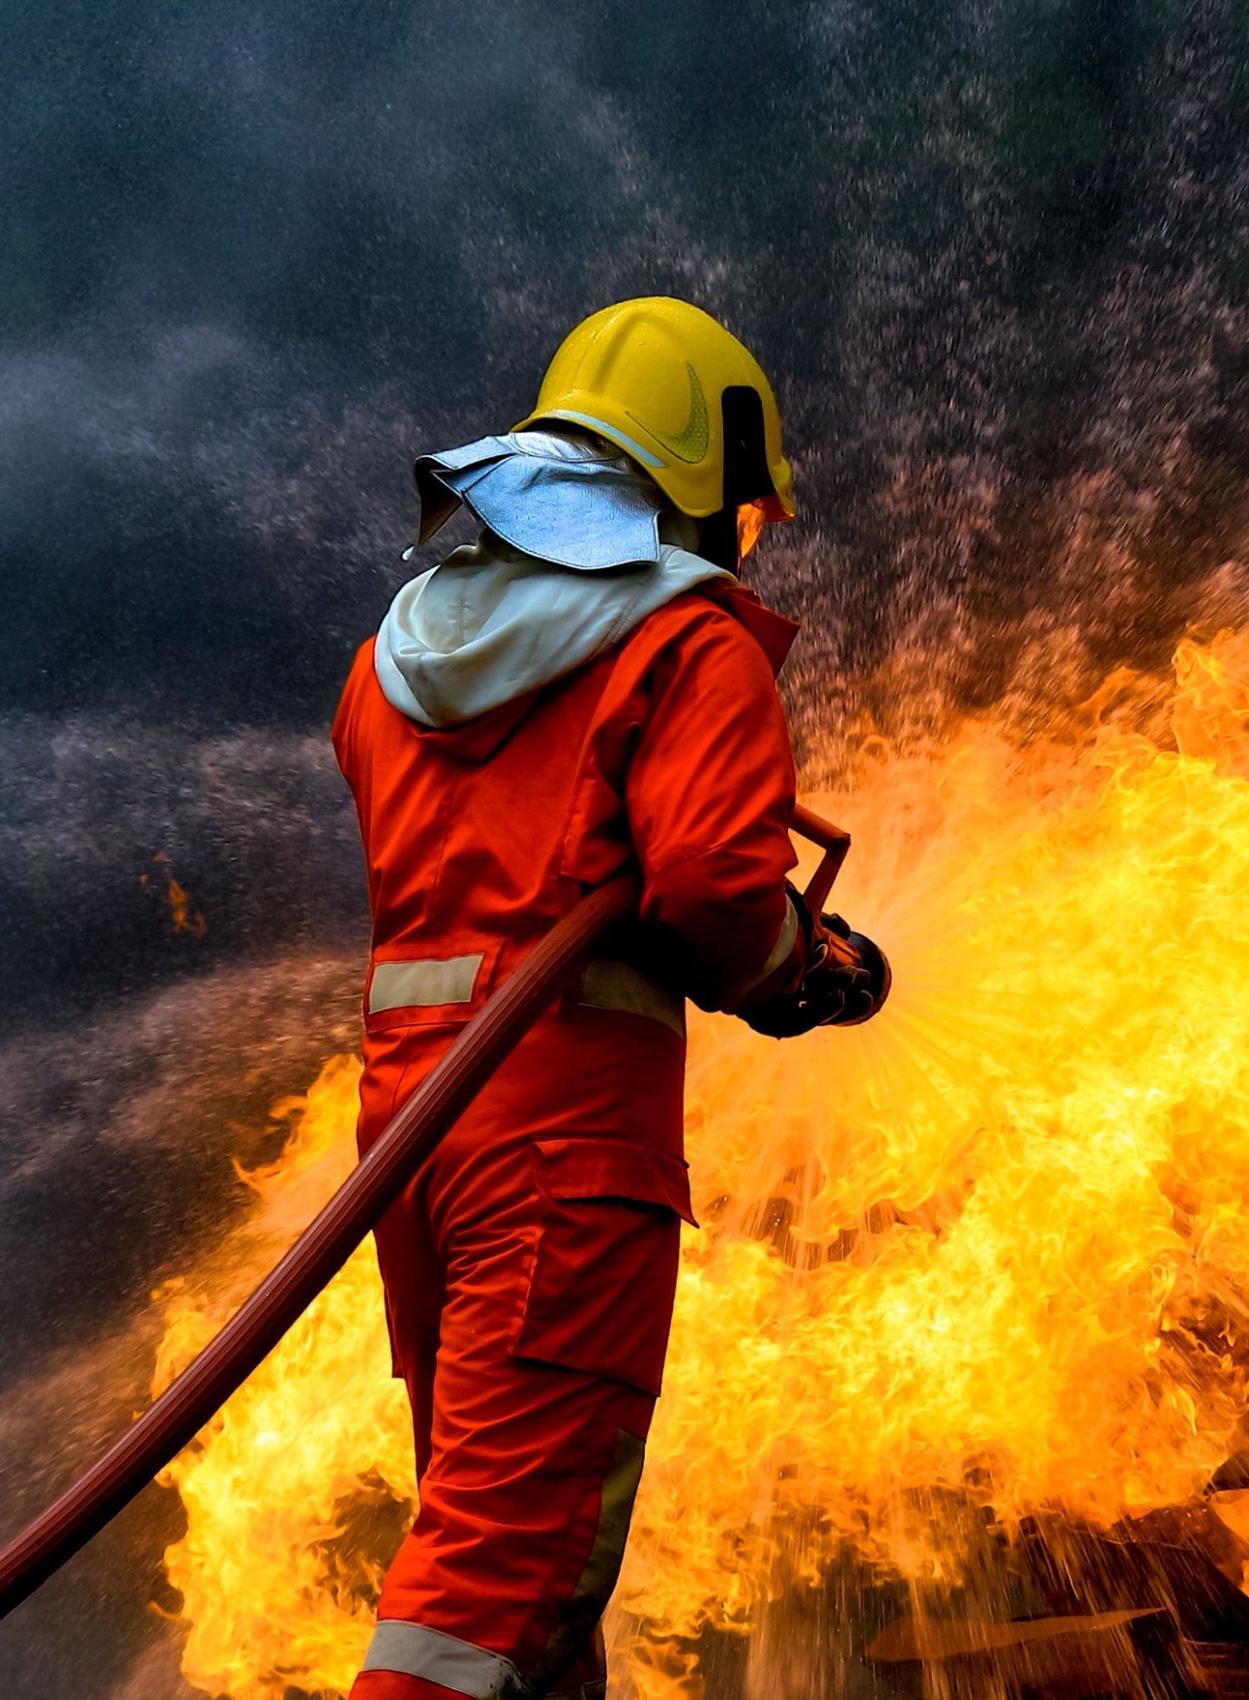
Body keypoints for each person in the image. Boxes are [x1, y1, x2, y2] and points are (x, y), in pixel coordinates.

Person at [329, 298, 888, 1700]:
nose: (740, 547)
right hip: (562, 1158)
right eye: (742, 514)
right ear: (697, 478)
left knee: (501, 1551)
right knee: (493, 1592)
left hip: (410, 1146)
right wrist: (800, 977)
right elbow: (708, 891)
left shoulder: (391, 665)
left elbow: (511, 863)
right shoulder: (689, 646)